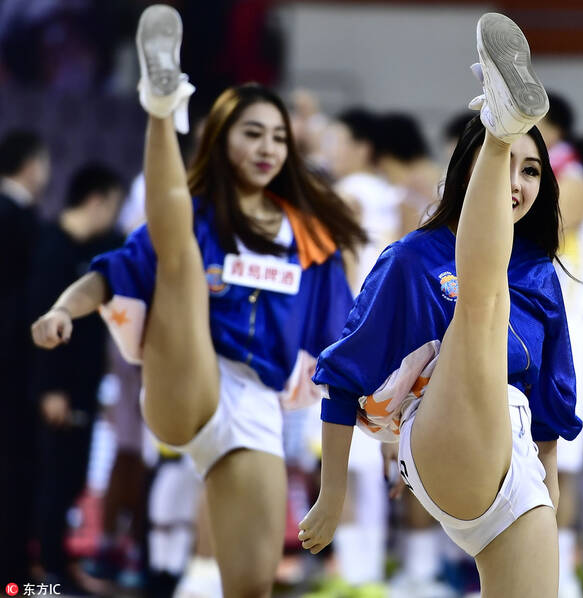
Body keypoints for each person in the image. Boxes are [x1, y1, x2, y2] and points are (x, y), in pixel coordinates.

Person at [31, 5, 366, 598]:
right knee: (179, 249)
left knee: (252, 585)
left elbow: (344, 336)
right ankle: (161, 107)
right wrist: (62, 310)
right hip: (186, 379)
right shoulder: (198, 219)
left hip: (257, 402)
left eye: (278, 137)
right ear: (219, 138)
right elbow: (113, 274)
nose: (267, 147)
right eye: (252, 133)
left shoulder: (310, 237)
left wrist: (387, 414)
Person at [298, 13, 582, 598]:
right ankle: (499, 123)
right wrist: (332, 494)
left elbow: (549, 410)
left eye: (532, 170)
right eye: (503, 164)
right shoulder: (411, 257)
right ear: (466, 174)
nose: (518, 184)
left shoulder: (539, 272)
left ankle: (503, 120)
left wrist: (547, 491)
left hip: (518, 461)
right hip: (438, 434)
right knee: (481, 303)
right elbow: (346, 374)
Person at [28, 162, 124, 590]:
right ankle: (45, 570)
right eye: (114, 206)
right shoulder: (50, 247)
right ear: (97, 200)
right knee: (53, 479)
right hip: (56, 391)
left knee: (73, 477)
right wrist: (50, 388)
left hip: (85, 385)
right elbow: (37, 324)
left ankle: (55, 564)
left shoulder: (100, 248)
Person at [537, 93, 583, 598]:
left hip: (571, 331)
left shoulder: (572, 179)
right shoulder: (535, 175)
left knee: (563, 457)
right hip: (535, 325)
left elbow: (549, 234)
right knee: (527, 449)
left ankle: (562, 578)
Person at [0, 129, 50, 586]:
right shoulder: (22, 221)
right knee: (14, 469)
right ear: (32, 164)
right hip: (14, 369)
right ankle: (13, 575)